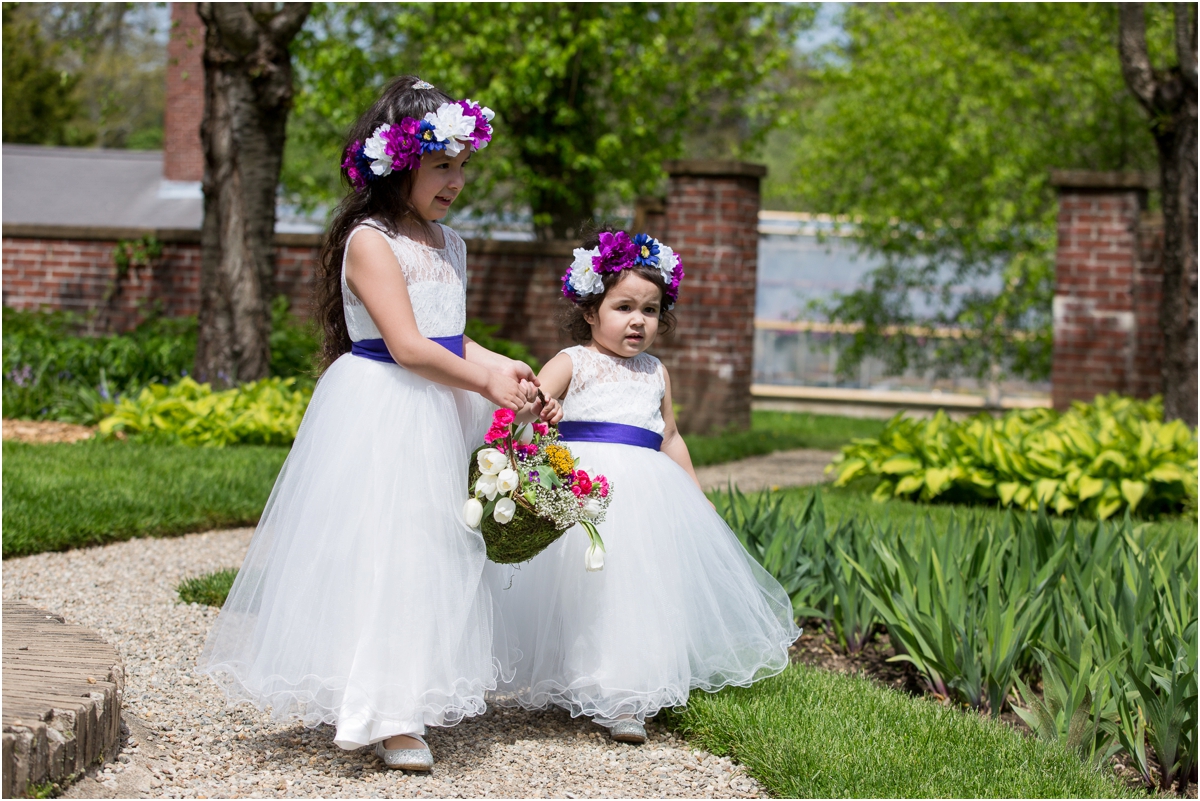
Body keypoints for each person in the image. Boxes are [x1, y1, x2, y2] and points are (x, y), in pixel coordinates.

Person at [198, 76, 540, 772]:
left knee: (433, 553)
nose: (457, 180)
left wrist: (507, 370)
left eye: (463, 165)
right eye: (443, 166)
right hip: (386, 406)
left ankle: (404, 688)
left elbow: (451, 338)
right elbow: (408, 344)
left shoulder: (451, 244)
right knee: (387, 550)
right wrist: (482, 378)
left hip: (438, 406)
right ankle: (383, 708)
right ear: (400, 163)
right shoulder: (369, 240)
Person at [486, 229, 801, 744]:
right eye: (624, 306)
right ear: (591, 312)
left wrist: (694, 495)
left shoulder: (656, 372)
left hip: (648, 497)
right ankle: (576, 676)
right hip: (588, 494)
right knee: (585, 592)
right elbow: (522, 416)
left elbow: (670, 437)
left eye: (651, 311)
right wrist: (543, 411)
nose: (638, 320)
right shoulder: (573, 361)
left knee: (637, 590)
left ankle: (624, 692)